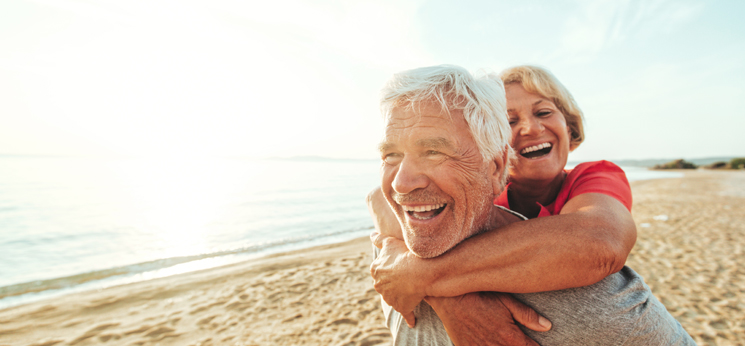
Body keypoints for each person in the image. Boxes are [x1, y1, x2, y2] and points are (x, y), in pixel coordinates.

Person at [370, 64, 695, 345]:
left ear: (569, 127)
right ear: (495, 145)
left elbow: (598, 242)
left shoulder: (594, 176)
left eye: (543, 112)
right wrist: (453, 303)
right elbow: (379, 200)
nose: (529, 127)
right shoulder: (481, 194)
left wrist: (420, 275)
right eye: (510, 121)